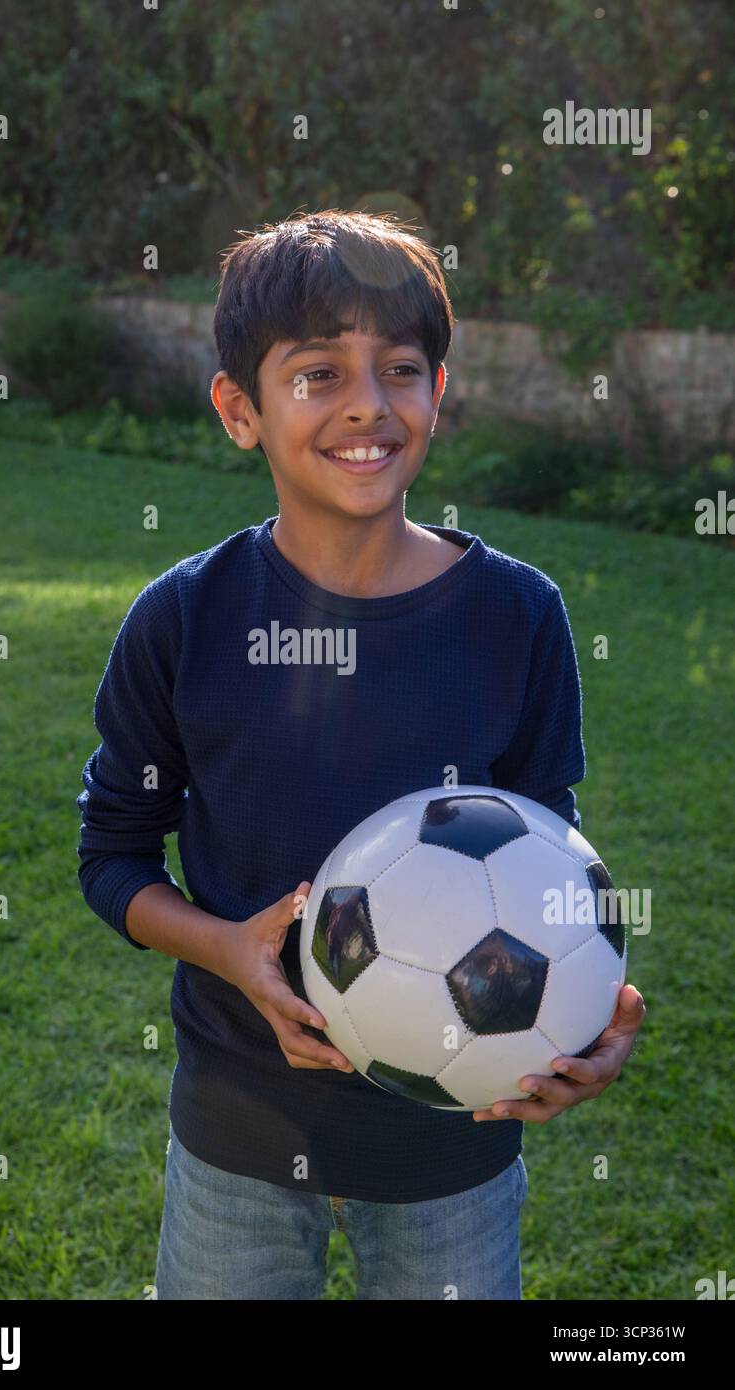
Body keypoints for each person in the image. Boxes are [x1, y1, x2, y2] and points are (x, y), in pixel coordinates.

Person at [76, 209, 646, 1300]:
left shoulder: (515, 615)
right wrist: (230, 949)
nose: (365, 405)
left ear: (439, 388)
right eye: (316, 372)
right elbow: (112, 858)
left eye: (398, 368)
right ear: (239, 409)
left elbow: (547, 864)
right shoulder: (183, 621)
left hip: (450, 1151)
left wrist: (586, 1023)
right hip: (238, 1132)